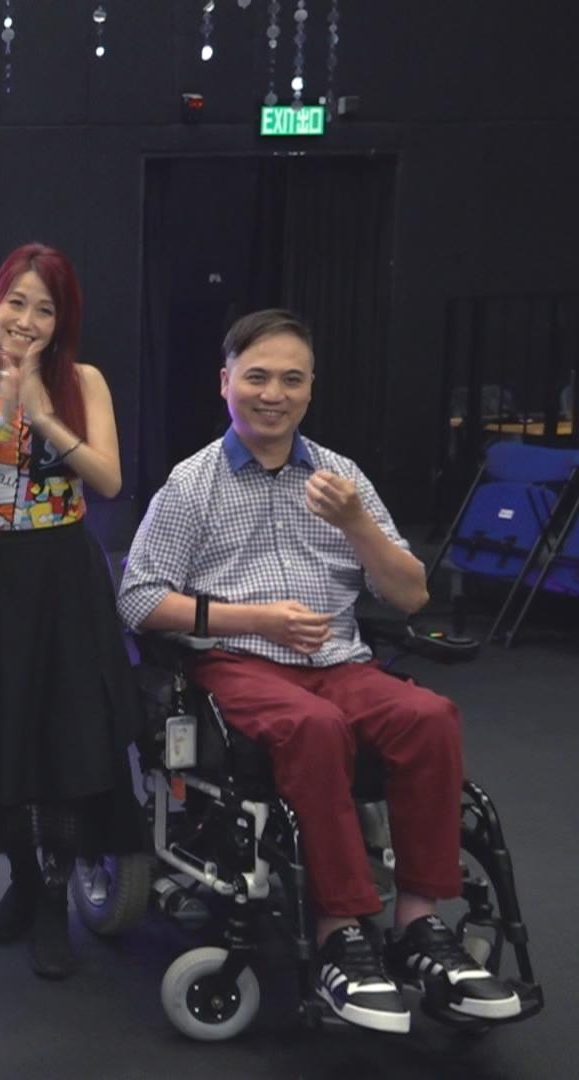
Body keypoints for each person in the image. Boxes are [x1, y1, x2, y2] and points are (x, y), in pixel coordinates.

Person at [117, 308, 522, 1033]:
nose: (273, 394)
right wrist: (257, 619)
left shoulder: (342, 478)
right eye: (257, 377)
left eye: (291, 380)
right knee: (314, 726)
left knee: (429, 717)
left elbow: (410, 595)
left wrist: (357, 524)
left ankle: (419, 922)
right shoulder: (193, 484)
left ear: (310, 389)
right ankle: (341, 932)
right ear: (225, 382)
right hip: (239, 663)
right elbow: (140, 599)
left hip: (338, 660)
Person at [0, 242, 139, 980]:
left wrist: (43, 417)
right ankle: (21, 877)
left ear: (61, 320)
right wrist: (0, 421)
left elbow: (108, 479)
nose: (26, 320)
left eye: (44, 308)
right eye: (15, 302)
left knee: (65, 735)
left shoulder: (84, 382)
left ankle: (54, 896)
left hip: (62, 576)